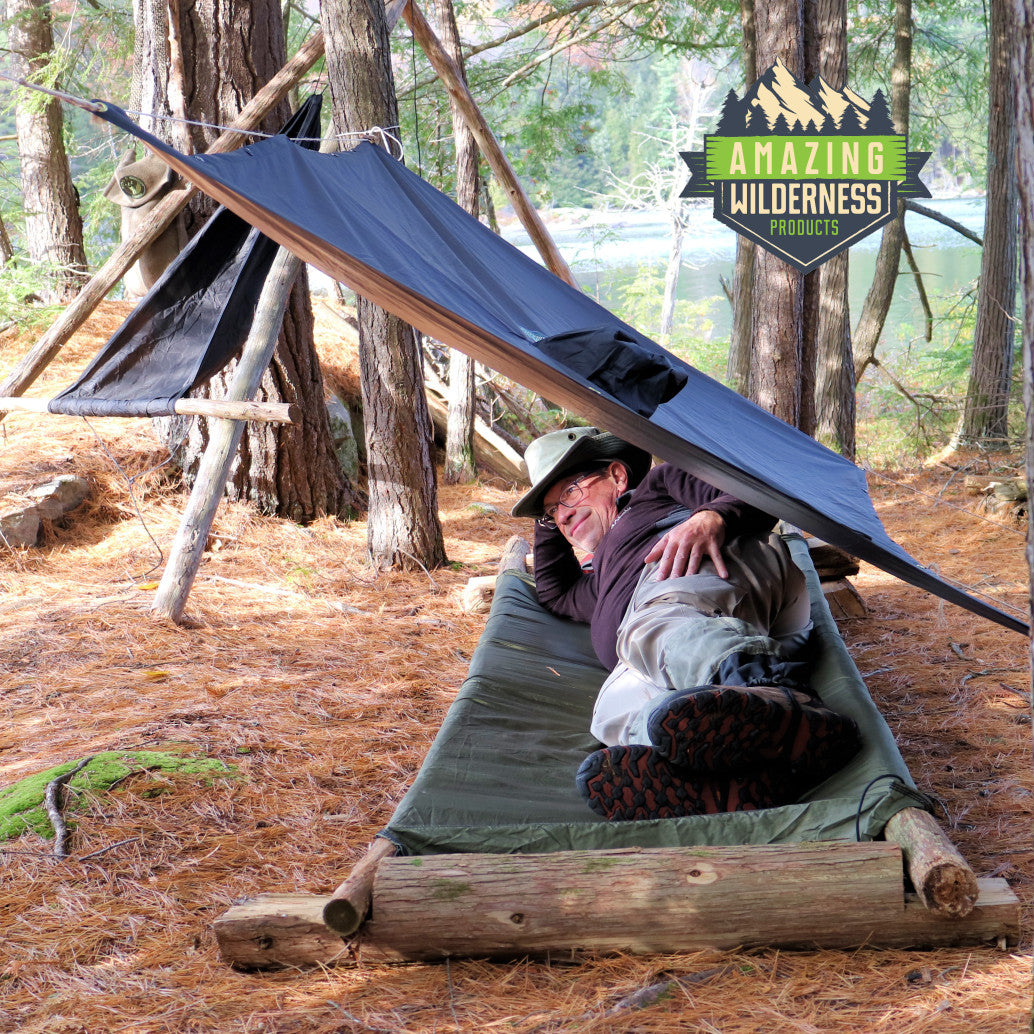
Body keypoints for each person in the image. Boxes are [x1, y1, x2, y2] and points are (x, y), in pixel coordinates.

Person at [511, 426, 861, 822]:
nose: (563, 515)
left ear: (618, 476)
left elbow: (759, 487)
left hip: (717, 580)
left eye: (571, 492)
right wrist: (545, 513)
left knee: (651, 627)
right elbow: (555, 591)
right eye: (552, 512)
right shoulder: (599, 583)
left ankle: (785, 699)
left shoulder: (656, 490)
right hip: (683, 649)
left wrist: (713, 517)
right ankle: (731, 778)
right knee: (612, 712)